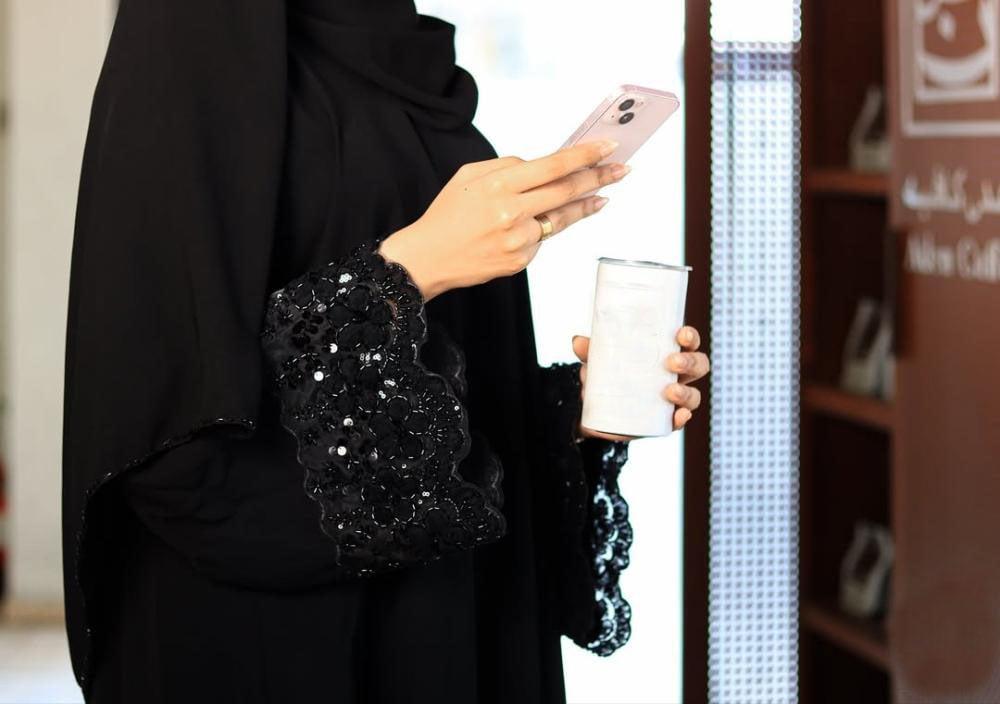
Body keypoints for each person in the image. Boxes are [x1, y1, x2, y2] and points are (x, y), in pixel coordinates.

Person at [60, 1, 710, 702]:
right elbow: (162, 405)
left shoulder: (407, 60)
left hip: (449, 614)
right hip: (277, 636)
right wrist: (408, 269)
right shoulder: (194, 39)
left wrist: (566, 411)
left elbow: (438, 366)